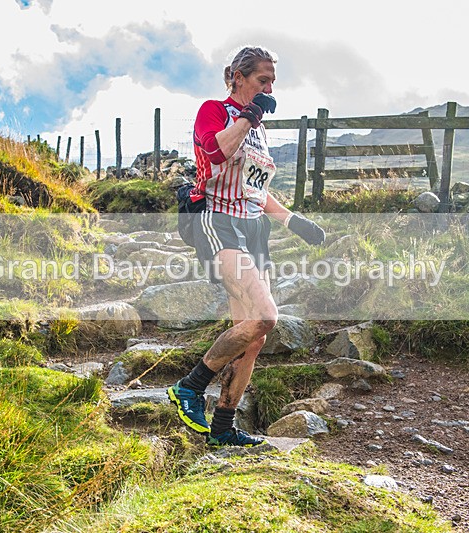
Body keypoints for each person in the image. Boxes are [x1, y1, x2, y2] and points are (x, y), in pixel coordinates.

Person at [167, 45, 326, 447]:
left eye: (272, 82)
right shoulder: (215, 111)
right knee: (266, 316)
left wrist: (293, 220)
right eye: (262, 80)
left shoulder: (260, 131)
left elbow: (256, 190)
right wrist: (248, 115)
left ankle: (223, 427)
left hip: (254, 228)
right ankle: (190, 386)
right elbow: (215, 152)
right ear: (238, 78)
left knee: (253, 337)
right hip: (217, 220)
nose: (269, 88)